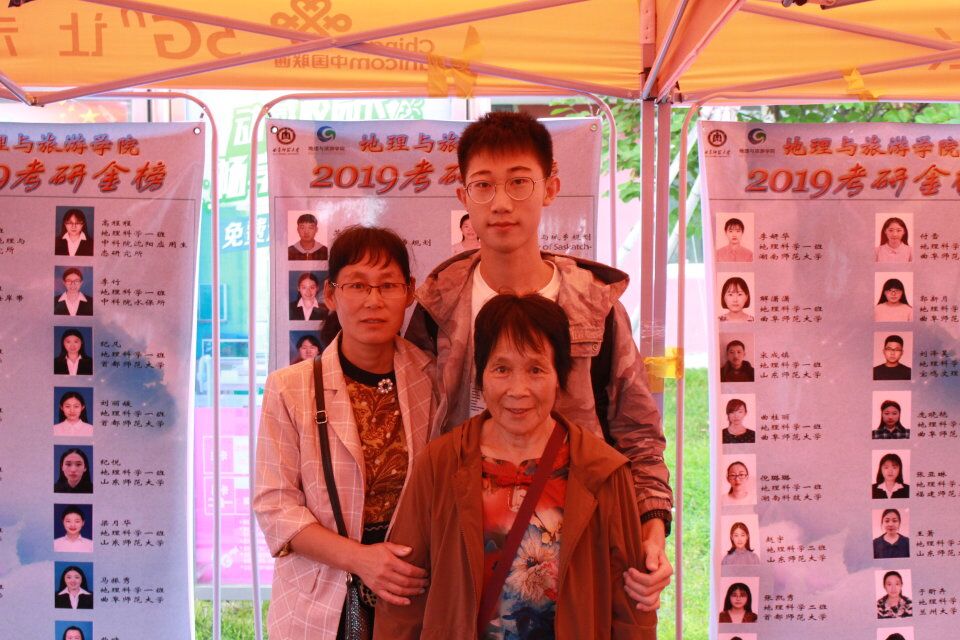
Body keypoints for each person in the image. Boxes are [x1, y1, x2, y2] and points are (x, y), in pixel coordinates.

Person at [404, 112, 672, 611]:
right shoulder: (437, 307)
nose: (501, 202)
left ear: (550, 188)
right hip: (464, 543)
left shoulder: (595, 306)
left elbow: (637, 433)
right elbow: (414, 429)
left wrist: (651, 529)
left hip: (579, 538)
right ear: (463, 196)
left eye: (519, 182)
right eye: (483, 185)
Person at [376, 294, 655, 639]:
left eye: (536, 369)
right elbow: (403, 592)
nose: (517, 390)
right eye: (502, 369)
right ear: (481, 375)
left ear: (560, 375)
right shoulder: (440, 464)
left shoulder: (602, 471)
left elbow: (631, 606)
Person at [255, 226, 437, 639]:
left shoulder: (433, 379)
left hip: (412, 590)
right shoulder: (290, 388)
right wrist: (361, 559)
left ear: (409, 292)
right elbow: (276, 507)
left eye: (387, 285)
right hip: (320, 595)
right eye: (357, 285)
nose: (373, 300)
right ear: (331, 295)